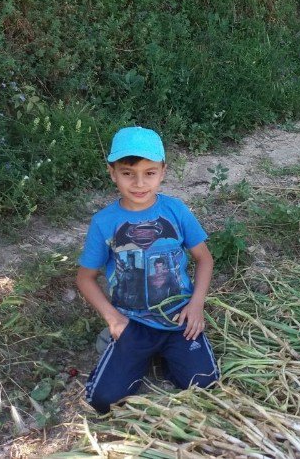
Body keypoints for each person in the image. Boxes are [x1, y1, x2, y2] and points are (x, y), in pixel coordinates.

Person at [77, 126, 220, 413]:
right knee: (102, 401)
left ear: (163, 171)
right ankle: (137, 351)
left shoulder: (175, 211)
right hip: (132, 323)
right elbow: (85, 278)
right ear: (112, 172)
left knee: (206, 383)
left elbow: (204, 259)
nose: (139, 183)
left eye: (150, 172)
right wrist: (114, 319)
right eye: (128, 172)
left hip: (178, 317)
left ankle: (164, 353)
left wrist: (196, 305)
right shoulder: (104, 222)